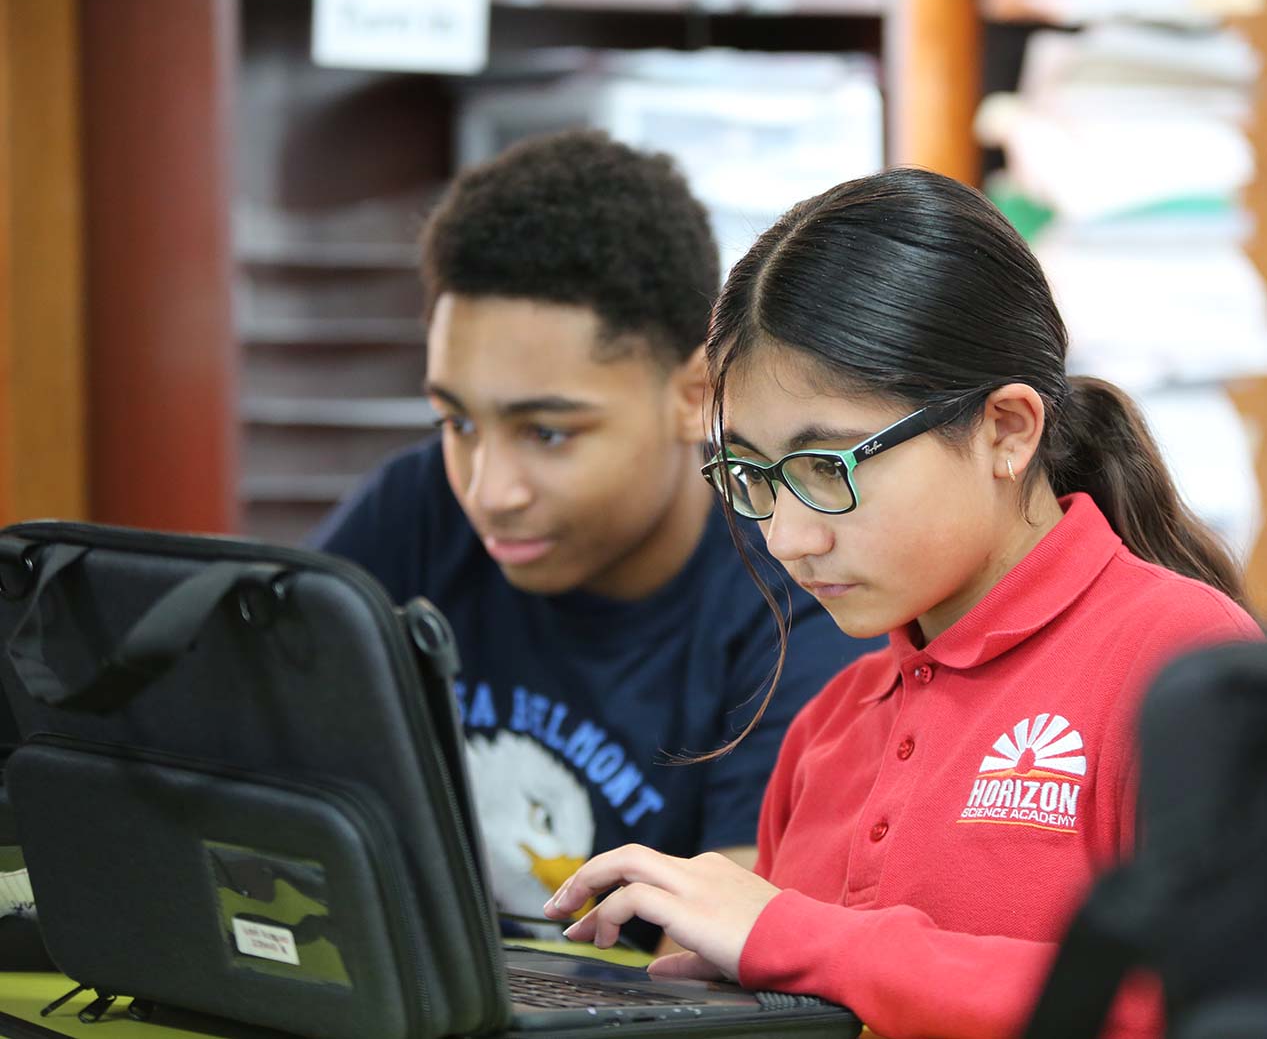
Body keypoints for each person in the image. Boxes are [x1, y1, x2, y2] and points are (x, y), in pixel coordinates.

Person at [544, 167, 1263, 1033]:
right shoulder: (831, 724)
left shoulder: (1175, 656)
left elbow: (1198, 1002)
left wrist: (806, 937)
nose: (785, 537)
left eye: (827, 467)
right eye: (752, 475)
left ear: (1005, 429)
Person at [310, 130, 879, 953]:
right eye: (457, 421)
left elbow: (732, 954)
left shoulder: (801, 591)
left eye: (546, 433)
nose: (487, 490)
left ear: (694, 395)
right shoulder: (418, 504)